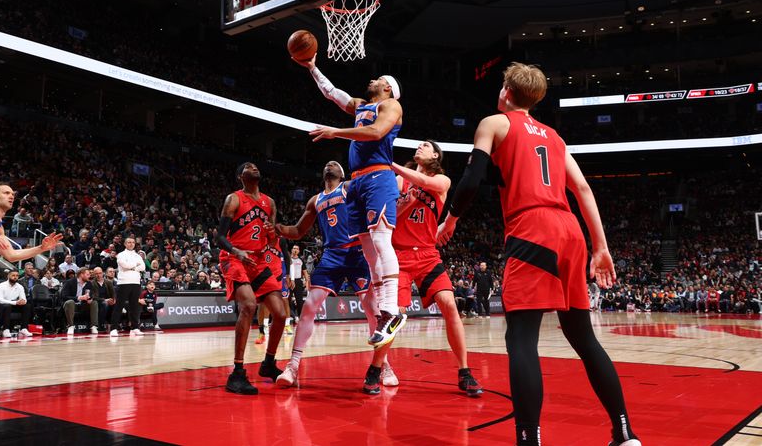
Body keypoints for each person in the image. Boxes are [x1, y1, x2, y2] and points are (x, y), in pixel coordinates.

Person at [436, 63, 641, 446]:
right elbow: (582, 189)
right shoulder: (554, 136)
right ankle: (625, 433)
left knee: (521, 340)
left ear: (506, 93)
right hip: (571, 231)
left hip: (533, 227)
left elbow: (470, 180)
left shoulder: (494, 123)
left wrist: (450, 220)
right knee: (584, 339)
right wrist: (601, 247)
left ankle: (529, 440)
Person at [297, 55, 406, 347]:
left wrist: (336, 132)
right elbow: (333, 93)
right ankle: (383, 312)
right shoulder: (362, 105)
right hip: (357, 182)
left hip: (378, 176)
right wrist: (312, 67)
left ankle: (392, 310)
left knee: (382, 241)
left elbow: (376, 132)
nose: (374, 79)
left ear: (387, 88)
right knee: (370, 251)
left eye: (380, 79)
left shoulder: (391, 105)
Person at [275, 161, 392, 392]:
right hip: (332, 256)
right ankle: (293, 365)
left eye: (334, 163)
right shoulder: (315, 200)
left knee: (372, 309)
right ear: (323, 174)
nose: (329, 163)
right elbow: (298, 231)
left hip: (357, 252)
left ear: (341, 173)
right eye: (326, 164)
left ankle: (383, 365)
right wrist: (277, 227)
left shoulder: (348, 187)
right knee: (309, 305)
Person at [390, 141, 483, 396]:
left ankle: (464, 372)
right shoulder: (400, 181)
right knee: (394, 314)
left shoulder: (442, 180)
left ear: (435, 156)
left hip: (428, 255)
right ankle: (378, 368)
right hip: (399, 255)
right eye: (419, 145)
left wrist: (392, 164)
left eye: (426, 146)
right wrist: (407, 196)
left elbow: (432, 185)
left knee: (450, 304)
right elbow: (392, 215)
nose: (420, 147)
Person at [0, 183, 62, 359]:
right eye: (6, 192)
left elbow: (12, 255)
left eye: (13, 194)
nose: (11, 196)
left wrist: (41, 247)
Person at [217, 162, 286, 395]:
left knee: (281, 313)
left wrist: (272, 230)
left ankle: (268, 363)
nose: (254, 167)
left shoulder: (270, 202)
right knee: (247, 305)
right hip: (234, 257)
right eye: (248, 166)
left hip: (259, 261)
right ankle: (237, 372)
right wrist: (236, 251)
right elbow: (219, 236)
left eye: (256, 166)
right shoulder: (234, 199)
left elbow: (273, 238)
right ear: (241, 176)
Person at [110, 237, 145, 336]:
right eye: (129, 242)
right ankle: (113, 328)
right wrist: (135, 266)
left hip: (136, 283)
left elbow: (143, 267)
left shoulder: (138, 255)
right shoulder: (121, 255)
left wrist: (133, 266)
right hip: (123, 283)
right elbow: (125, 265)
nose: (131, 244)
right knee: (119, 306)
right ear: (125, 244)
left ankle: (134, 328)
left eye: (133, 242)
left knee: (135, 307)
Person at [60, 267, 99, 335]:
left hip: (83, 305)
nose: (89, 276)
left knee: (94, 302)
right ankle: (70, 326)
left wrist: (90, 299)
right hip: (72, 305)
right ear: (81, 274)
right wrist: (79, 298)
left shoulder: (89, 284)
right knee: (70, 302)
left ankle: (94, 326)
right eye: (87, 274)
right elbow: (64, 296)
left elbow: (93, 294)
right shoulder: (69, 282)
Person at [0, 269, 33, 337]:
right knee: (7, 306)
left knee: (27, 306)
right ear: (8, 276)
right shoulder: (1, 285)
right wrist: (15, 302)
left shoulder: (19, 286)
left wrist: (22, 301)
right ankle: (5, 329)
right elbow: (0, 300)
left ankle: (24, 328)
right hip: (1, 306)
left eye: (17, 276)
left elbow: (24, 298)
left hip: (13, 305)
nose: (15, 277)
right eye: (13, 275)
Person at [288, 244, 306, 322]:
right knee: (288, 300)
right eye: (294, 248)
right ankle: (292, 316)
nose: (295, 250)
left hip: (298, 281)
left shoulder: (301, 261)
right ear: (291, 250)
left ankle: (300, 317)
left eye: (297, 249)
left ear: (298, 251)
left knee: (299, 301)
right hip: (289, 281)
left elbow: (305, 272)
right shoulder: (288, 260)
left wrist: (306, 280)